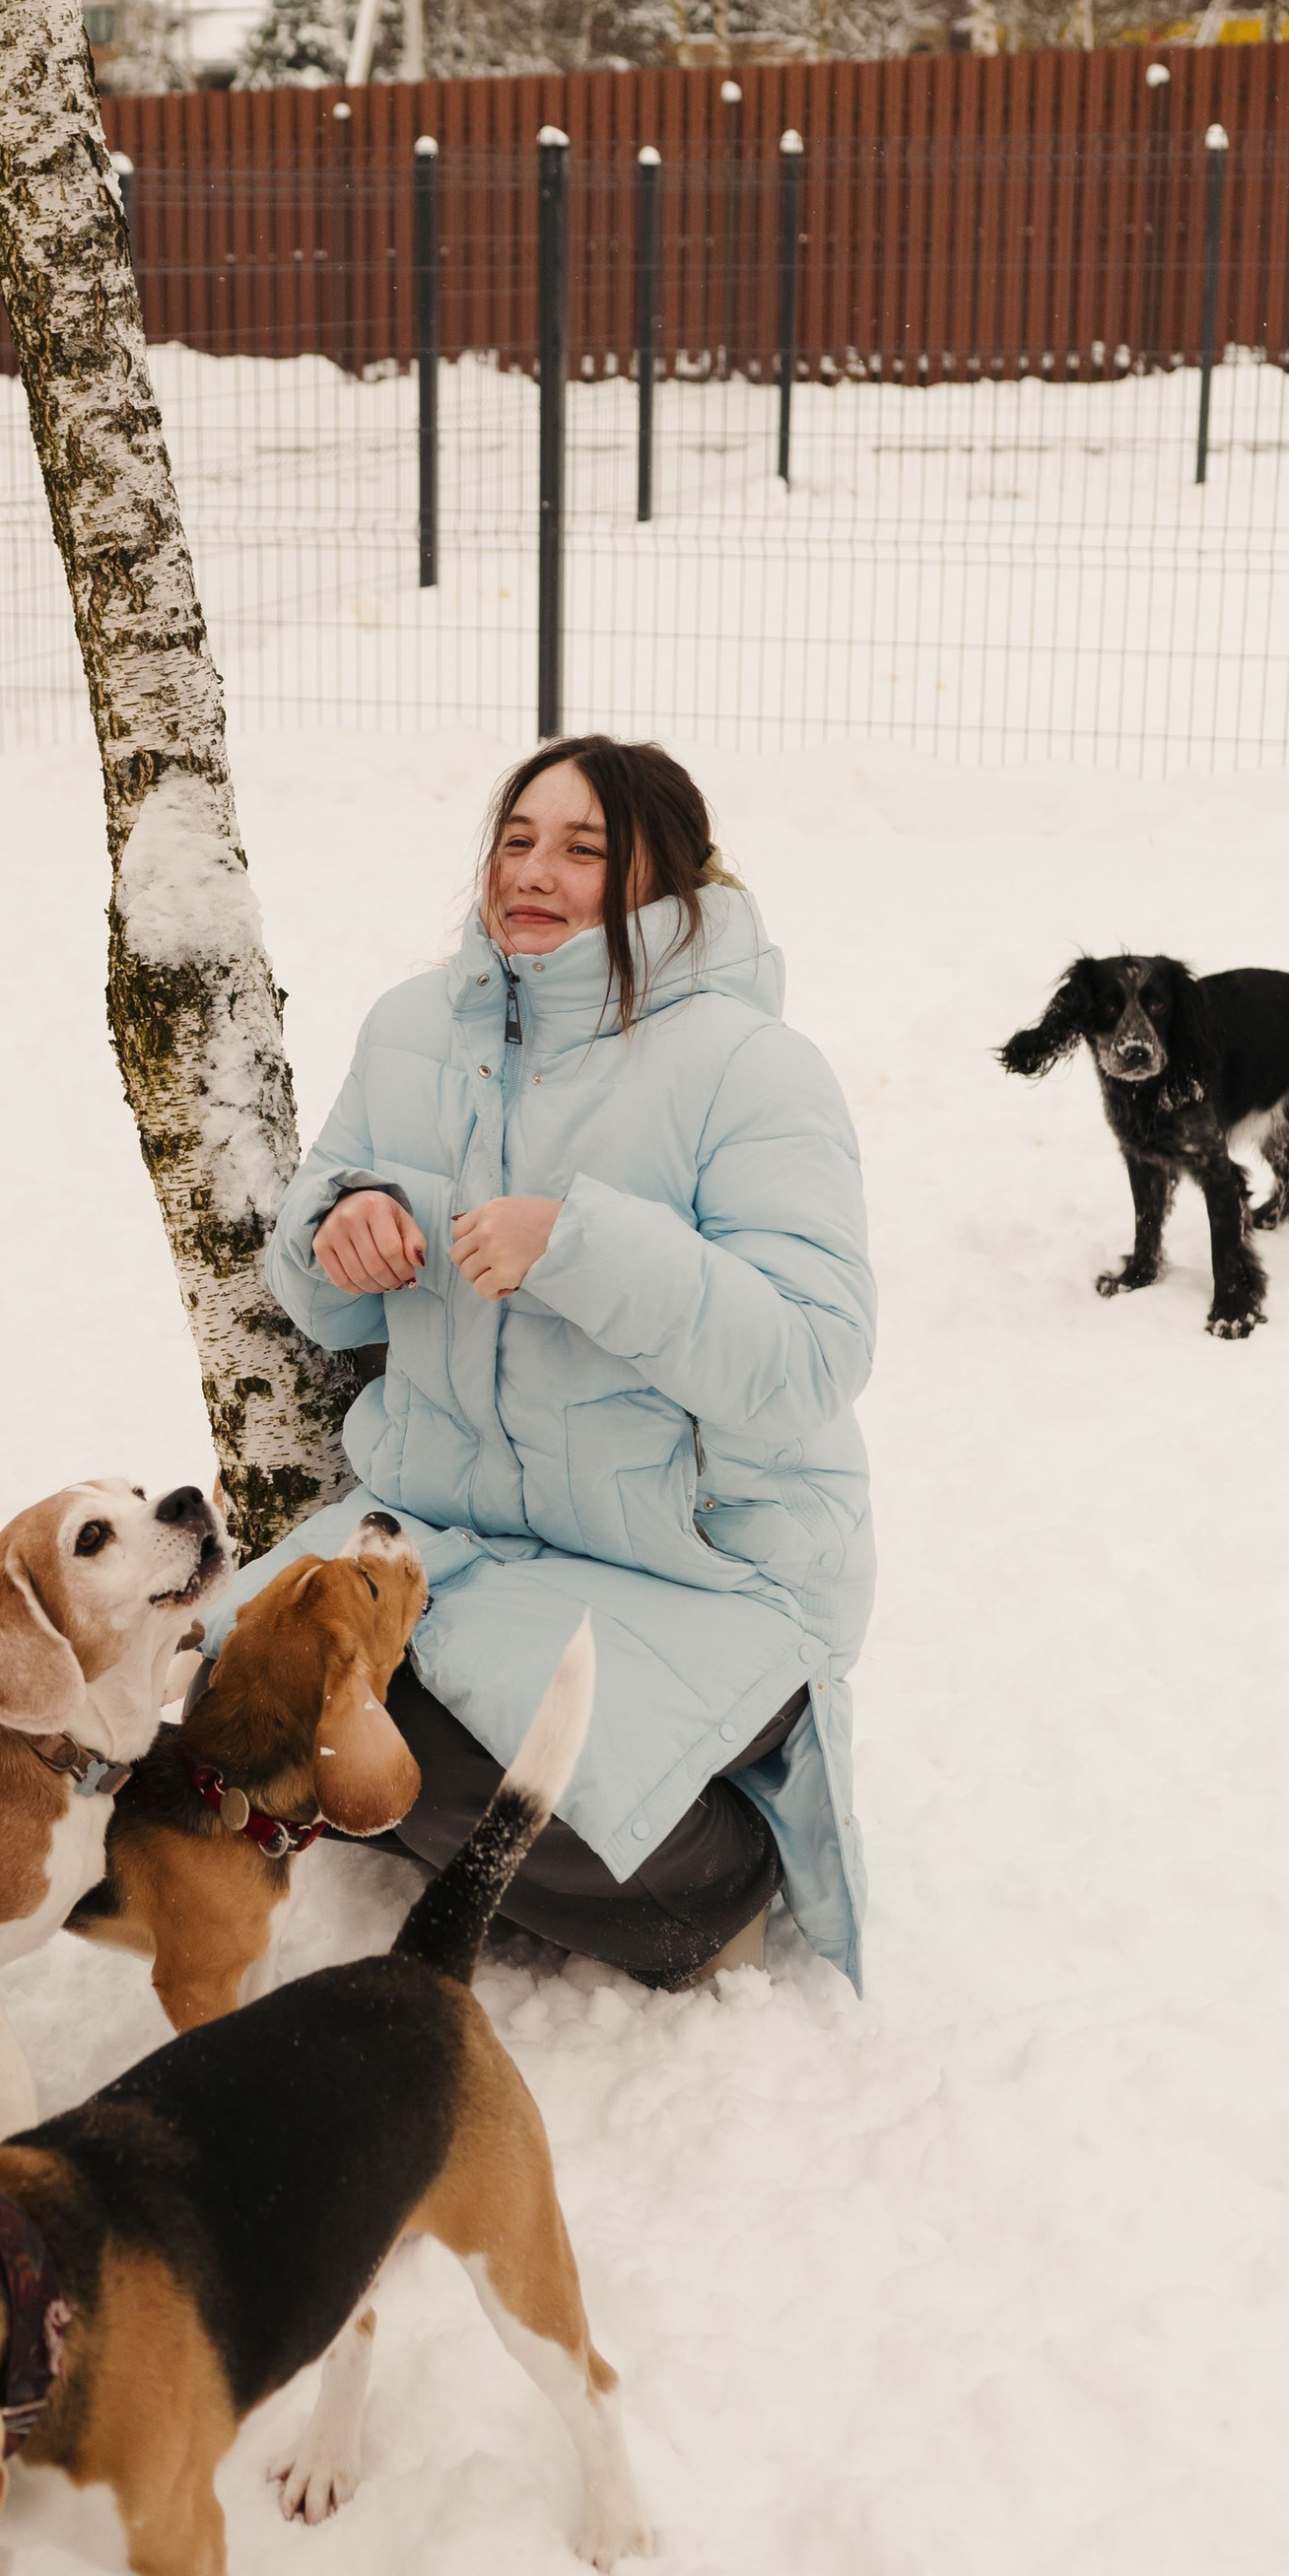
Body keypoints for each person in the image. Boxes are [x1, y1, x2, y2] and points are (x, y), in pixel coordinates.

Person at [204, 736, 874, 1989]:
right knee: (233, 1701)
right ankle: (507, 1820)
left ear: (665, 880)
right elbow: (314, 1280)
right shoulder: (412, 1027)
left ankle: (713, 1883)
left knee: (448, 1759)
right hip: (452, 1533)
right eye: (516, 839)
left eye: (582, 849)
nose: (533, 871)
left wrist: (581, 1246)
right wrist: (338, 1225)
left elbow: (810, 1361)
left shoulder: (747, 1065)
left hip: (697, 1567)